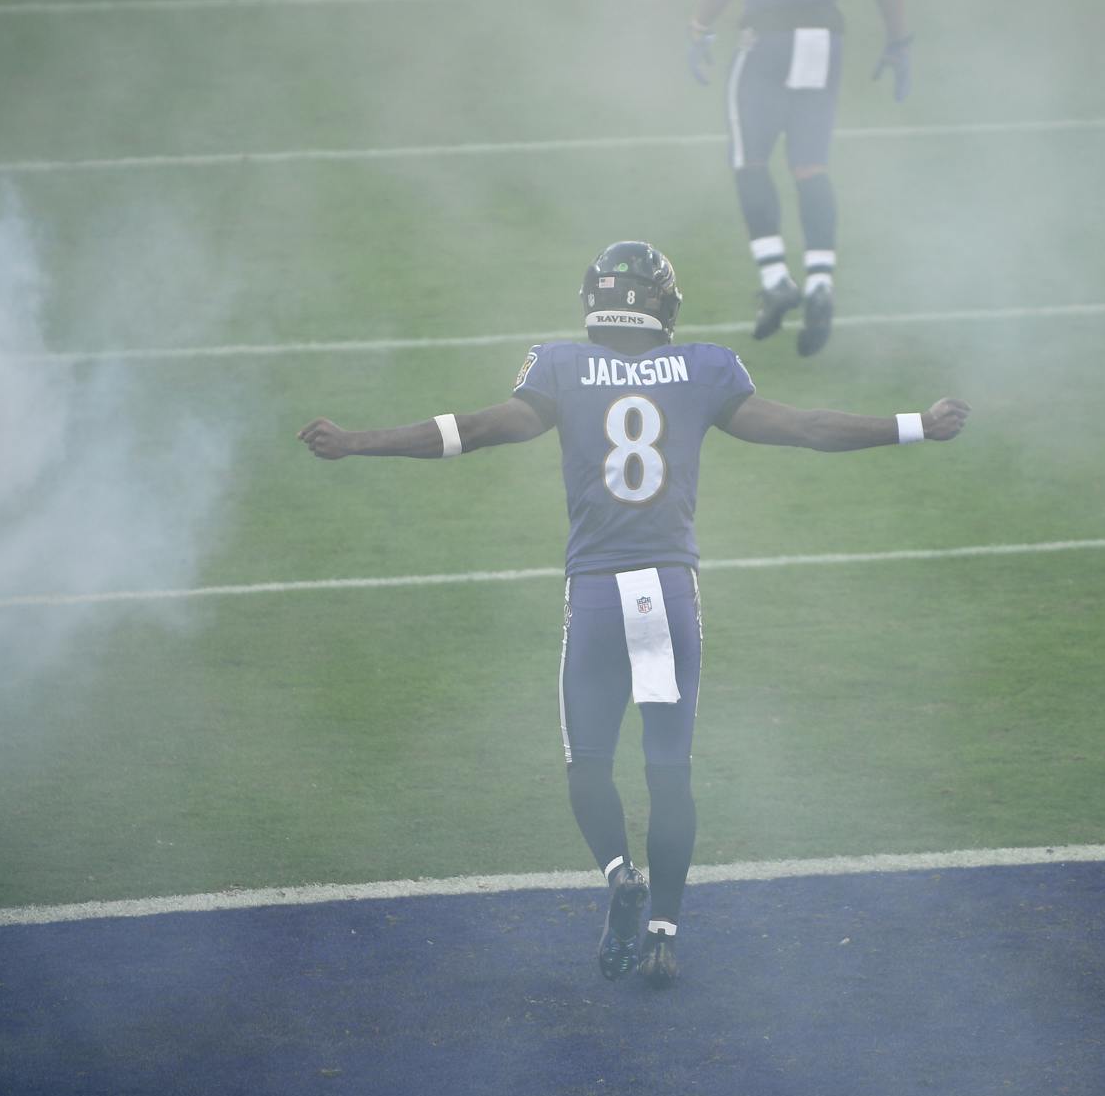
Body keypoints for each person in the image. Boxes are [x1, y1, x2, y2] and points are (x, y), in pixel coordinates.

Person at [298, 242, 968, 988]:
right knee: (669, 769)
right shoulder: (705, 368)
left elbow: (472, 431)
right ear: (664, 305)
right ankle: (664, 936)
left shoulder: (560, 366)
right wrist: (917, 423)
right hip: (665, 597)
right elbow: (807, 427)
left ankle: (619, 873)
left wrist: (356, 442)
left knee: (588, 761)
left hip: (596, 595)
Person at [686, 0, 913, 358]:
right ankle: (820, 282)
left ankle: (775, 277)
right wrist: (900, 38)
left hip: (767, 35)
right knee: (811, 165)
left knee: (750, 158)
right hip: (824, 38)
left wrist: (700, 22)